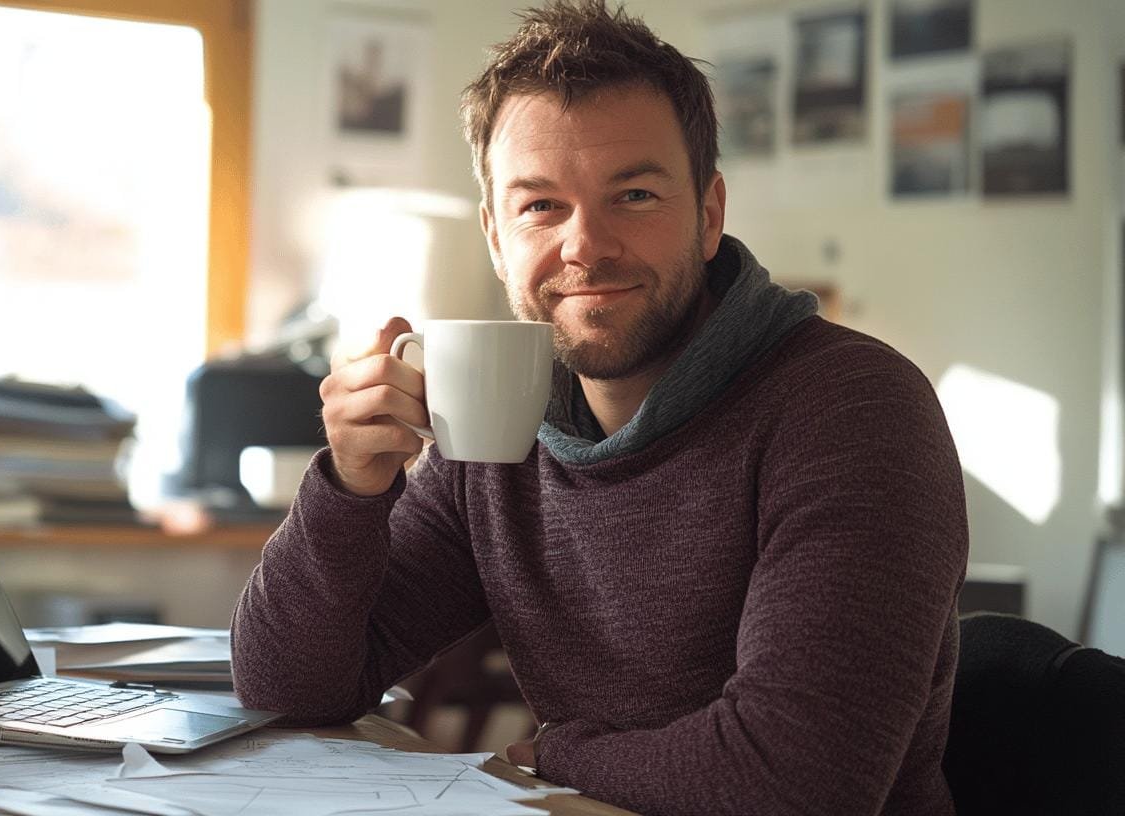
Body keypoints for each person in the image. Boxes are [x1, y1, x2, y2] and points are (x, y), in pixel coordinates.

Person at [231, 2, 969, 813]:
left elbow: (797, 783)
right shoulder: (500, 436)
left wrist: (553, 754)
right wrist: (350, 486)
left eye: (636, 195)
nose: (584, 244)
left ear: (711, 213)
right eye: (540, 205)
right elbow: (287, 687)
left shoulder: (852, 410)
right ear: (495, 235)